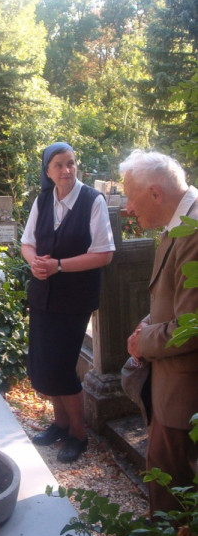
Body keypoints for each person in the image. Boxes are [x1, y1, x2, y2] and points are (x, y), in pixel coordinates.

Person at [21, 142, 115, 463]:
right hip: (43, 295)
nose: (67, 170)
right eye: (59, 165)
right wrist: (35, 263)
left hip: (74, 299)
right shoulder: (43, 199)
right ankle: (60, 424)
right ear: (47, 171)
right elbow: (27, 242)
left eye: (71, 163)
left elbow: (104, 253)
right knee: (45, 365)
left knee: (61, 367)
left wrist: (58, 266)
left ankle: (78, 434)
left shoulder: (92, 201)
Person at [120, 150, 198, 517]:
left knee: (173, 501)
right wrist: (147, 323)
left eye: (130, 198)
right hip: (172, 386)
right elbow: (174, 299)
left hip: (184, 396)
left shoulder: (194, 232)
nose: (128, 209)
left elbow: (192, 326)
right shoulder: (179, 222)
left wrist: (143, 341)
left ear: (155, 193)